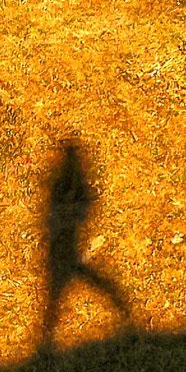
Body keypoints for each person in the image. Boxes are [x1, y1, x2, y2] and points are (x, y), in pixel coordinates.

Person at [38, 138, 133, 352]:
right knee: (63, 291)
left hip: (64, 250)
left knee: (57, 294)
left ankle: (46, 340)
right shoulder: (67, 182)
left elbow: (70, 211)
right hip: (64, 249)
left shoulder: (64, 183)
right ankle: (119, 306)